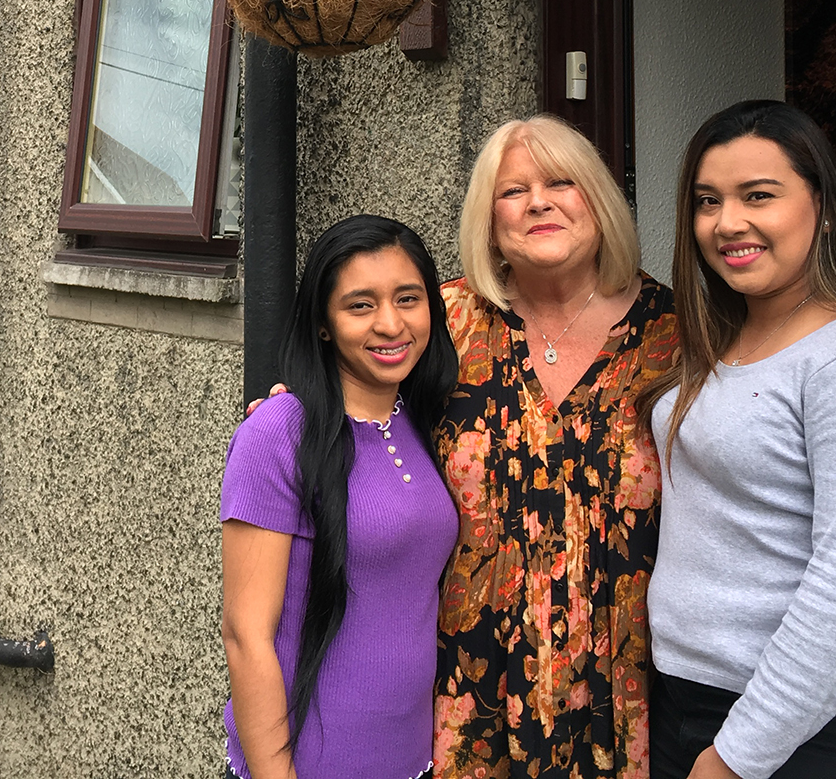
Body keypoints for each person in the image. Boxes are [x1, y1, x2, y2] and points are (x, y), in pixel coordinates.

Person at [646, 100, 836, 779]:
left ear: (824, 208)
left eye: (759, 196)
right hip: (694, 711)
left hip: (819, 735)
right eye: (707, 200)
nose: (728, 223)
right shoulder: (721, 343)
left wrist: (735, 757)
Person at [434, 115, 679, 779]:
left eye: (561, 182)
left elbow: (750, 441)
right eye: (514, 191)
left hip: (627, 685)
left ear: (598, 201)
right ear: (489, 219)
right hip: (471, 683)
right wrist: (285, 418)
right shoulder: (439, 324)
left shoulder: (675, 336)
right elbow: (357, 420)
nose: (538, 201)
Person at [221, 215, 460, 779]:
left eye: (408, 298)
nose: (390, 323)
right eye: (360, 305)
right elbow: (245, 635)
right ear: (323, 323)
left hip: (412, 762)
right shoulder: (279, 431)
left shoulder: (425, 420)